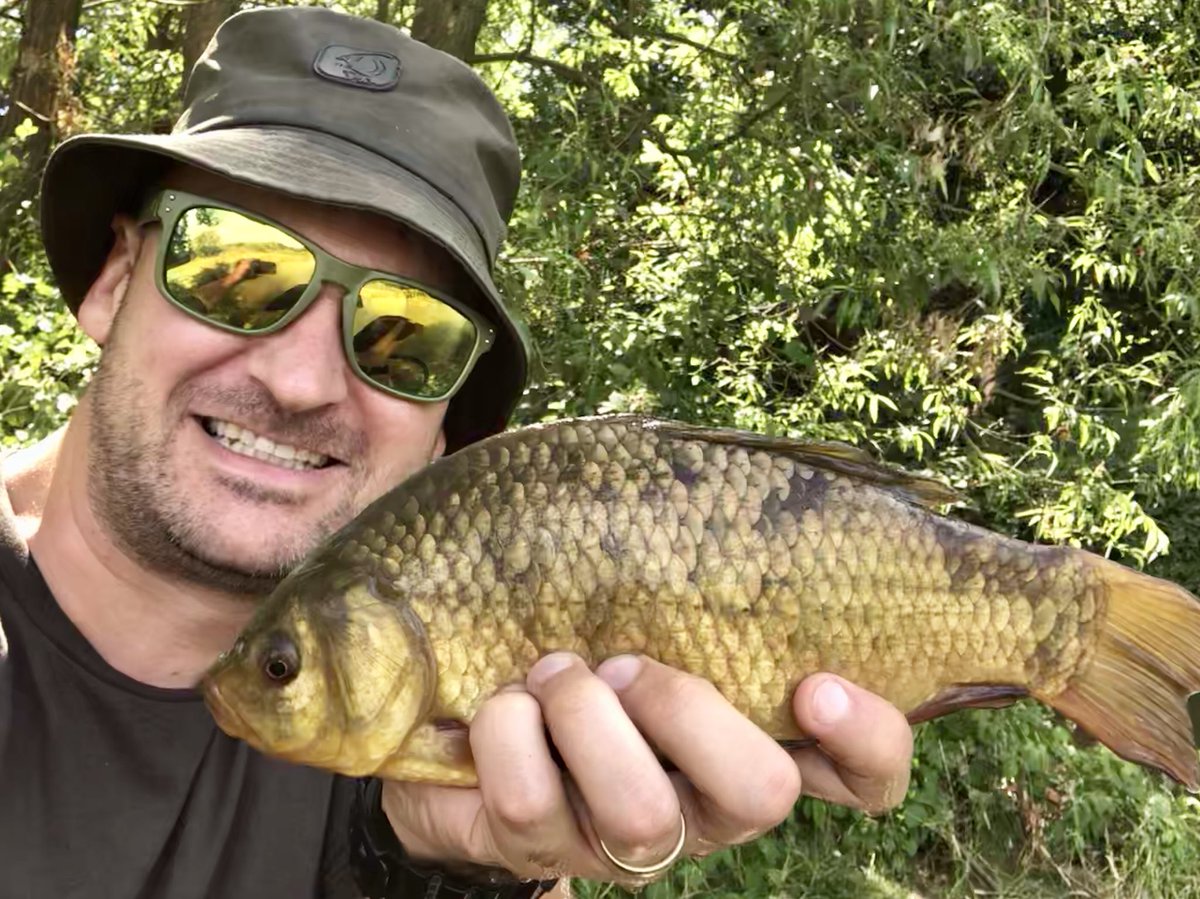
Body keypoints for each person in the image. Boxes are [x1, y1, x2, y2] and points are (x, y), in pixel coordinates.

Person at [0, 6, 914, 897]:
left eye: (403, 334)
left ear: (441, 426)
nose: (302, 381)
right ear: (117, 280)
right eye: (238, 270)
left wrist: (448, 870)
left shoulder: (445, 696)